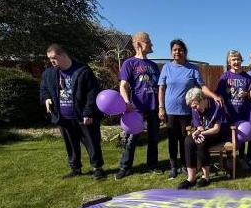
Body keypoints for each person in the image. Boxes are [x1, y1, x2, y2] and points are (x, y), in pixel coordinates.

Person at [158, 39, 222, 180]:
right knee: (172, 140)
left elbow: (202, 87)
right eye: (174, 49)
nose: (177, 52)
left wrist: (214, 96)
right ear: (171, 52)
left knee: (185, 139)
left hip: (188, 111)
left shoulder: (193, 68)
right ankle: (173, 166)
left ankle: (184, 165)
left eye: (180, 49)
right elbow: (161, 88)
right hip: (170, 110)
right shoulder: (166, 68)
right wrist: (161, 107)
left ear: (185, 52)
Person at [40, 44, 106, 180]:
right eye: (49, 58)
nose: (51, 61)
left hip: (83, 116)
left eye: (54, 58)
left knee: (92, 142)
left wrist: (88, 112)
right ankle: (75, 168)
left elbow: (92, 93)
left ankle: (97, 168)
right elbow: (44, 89)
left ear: (63, 55)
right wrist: (46, 99)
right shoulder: (49, 73)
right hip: (63, 117)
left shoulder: (83, 70)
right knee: (71, 144)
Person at [115, 32, 161, 180]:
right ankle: (125, 167)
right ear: (140, 44)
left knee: (154, 138)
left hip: (153, 107)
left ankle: (152, 165)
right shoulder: (130, 63)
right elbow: (123, 86)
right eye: (149, 42)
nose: (151, 44)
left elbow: (160, 87)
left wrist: (161, 107)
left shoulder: (154, 65)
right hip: (136, 108)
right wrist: (126, 103)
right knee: (131, 139)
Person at [178, 88, 228, 190]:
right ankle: (191, 178)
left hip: (217, 134)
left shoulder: (216, 105)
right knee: (188, 141)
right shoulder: (194, 108)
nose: (194, 109)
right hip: (204, 132)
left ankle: (206, 177)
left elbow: (216, 129)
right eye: (192, 107)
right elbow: (199, 126)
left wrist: (201, 134)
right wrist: (197, 132)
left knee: (202, 142)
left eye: (195, 106)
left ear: (202, 99)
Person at [216, 50, 251, 168]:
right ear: (229, 62)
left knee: (243, 136)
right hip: (229, 113)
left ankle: (242, 158)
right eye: (233, 60)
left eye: (238, 59)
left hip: (243, 112)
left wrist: (246, 94)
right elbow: (218, 94)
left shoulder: (247, 77)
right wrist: (223, 105)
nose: (236, 62)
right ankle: (230, 159)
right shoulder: (225, 76)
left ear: (241, 60)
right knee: (228, 137)